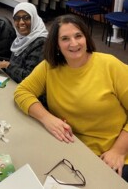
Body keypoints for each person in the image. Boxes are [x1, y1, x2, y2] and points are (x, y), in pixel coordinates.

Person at [14, 14, 128, 182]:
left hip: (111, 152)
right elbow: (22, 92)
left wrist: (118, 151)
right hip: (71, 148)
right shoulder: (49, 67)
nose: (74, 43)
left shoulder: (109, 65)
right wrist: (47, 118)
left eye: (78, 36)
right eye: (65, 38)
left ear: (86, 39)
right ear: (57, 45)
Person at [0, 2, 48, 83]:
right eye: (17, 18)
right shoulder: (22, 38)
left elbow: (30, 77)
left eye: (26, 17)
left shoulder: (41, 43)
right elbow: (17, 63)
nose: (21, 22)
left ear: (34, 19)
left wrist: (7, 66)